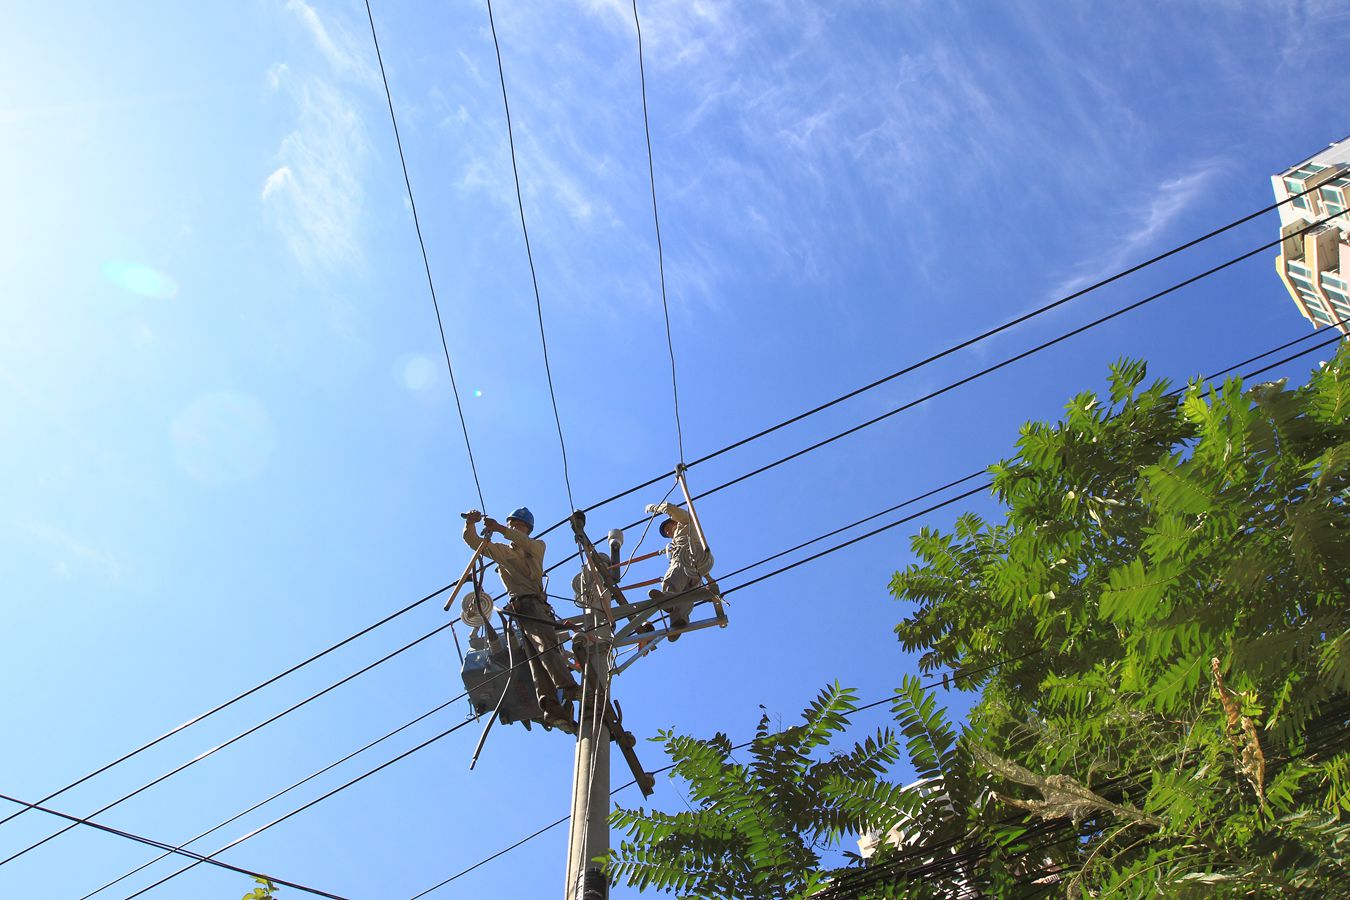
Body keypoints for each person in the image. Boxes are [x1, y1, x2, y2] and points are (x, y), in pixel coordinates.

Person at [463, 507, 580, 732]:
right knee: (536, 662)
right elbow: (473, 542)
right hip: (518, 612)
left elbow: (521, 541)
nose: (514, 528)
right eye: (512, 524)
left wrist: (500, 529)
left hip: (534, 605)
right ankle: (553, 710)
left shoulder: (536, 547)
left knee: (546, 648)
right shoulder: (503, 551)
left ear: (527, 529)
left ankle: (569, 687)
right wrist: (471, 523)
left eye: (518, 525)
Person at [645, 501, 714, 641]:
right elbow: (701, 563)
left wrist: (653, 508)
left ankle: (669, 599)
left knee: (673, 577)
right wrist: (709, 581)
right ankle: (679, 621)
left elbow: (670, 508)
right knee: (688, 594)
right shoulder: (679, 538)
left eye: (667, 528)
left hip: (685, 557)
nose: (668, 532)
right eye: (666, 533)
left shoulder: (685, 521)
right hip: (696, 568)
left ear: (674, 521)